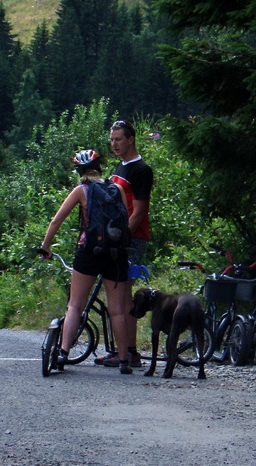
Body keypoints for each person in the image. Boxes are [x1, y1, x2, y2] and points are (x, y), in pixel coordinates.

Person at [39, 149, 133, 375]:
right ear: (99, 166)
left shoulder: (81, 190)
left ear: (79, 171)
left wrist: (45, 246)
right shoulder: (116, 188)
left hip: (89, 252)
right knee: (117, 311)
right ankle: (123, 361)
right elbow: (125, 222)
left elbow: (56, 220)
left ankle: (62, 353)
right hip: (115, 255)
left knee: (75, 305)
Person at [95, 119, 154, 368]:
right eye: (112, 140)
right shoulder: (119, 167)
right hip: (116, 237)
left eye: (118, 139)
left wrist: (122, 239)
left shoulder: (141, 170)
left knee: (122, 296)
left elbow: (139, 211)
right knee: (121, 296)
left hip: (132, 238)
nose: (114, 144)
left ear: (131, 139)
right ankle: (126, 350)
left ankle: (128, 352)